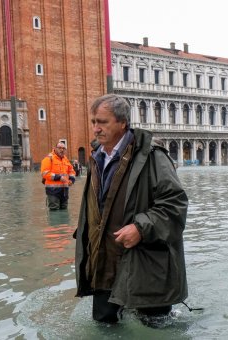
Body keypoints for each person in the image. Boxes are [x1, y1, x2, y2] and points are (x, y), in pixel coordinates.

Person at [74, 94, 189, 326]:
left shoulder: (153, 157)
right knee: (105, 325)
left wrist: (140, 228)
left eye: (102, 122)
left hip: (145, 262)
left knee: (155, 327)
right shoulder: (97, 157)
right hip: (103, 260)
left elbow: (175, 205)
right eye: (93, 122)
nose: (95, 129)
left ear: (122, 122)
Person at [40, 142, 76, 210]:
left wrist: (72, 179)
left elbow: (71, 171)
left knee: (64, 209)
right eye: (59, 148)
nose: (62, 150)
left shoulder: (66, 159)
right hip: (53, 191)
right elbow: (45, 173)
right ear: (55, 148)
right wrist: (59, 177)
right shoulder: (48, 159)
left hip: (65, 191)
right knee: (54, 210)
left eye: (63, 148)